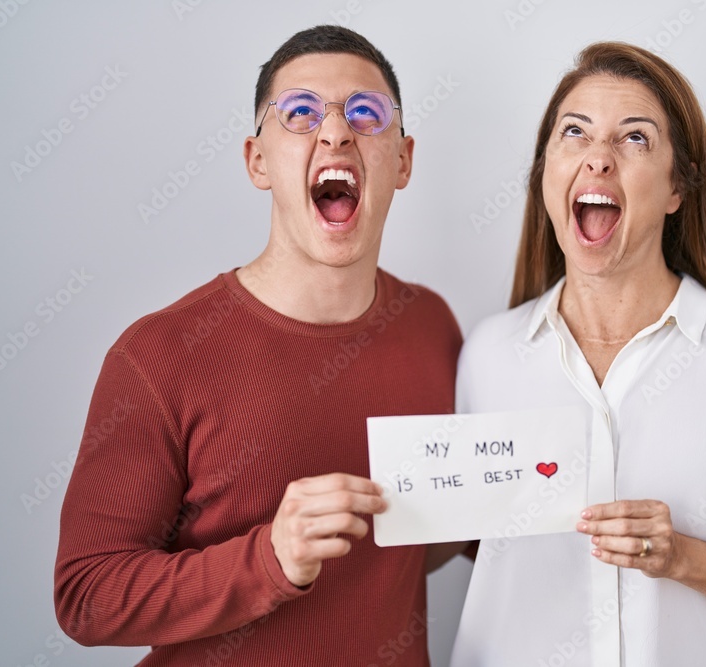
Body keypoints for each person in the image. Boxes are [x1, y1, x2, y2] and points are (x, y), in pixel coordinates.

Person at [54, 25, 462, 666]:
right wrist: (269, 558)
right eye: (299, 113)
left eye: (366, 113)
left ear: (403, 159)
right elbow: (85, 596)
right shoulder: (157, 355)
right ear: (258, 161)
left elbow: (424, 541)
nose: (335, 133)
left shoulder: (433, 326)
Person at [449, 42, 706, 666]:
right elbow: (480, 543)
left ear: (676, 190)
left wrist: (681, 557)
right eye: (574, 134)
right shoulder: (486, 354)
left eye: (635, 139)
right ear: (545, 172)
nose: (598, 159)